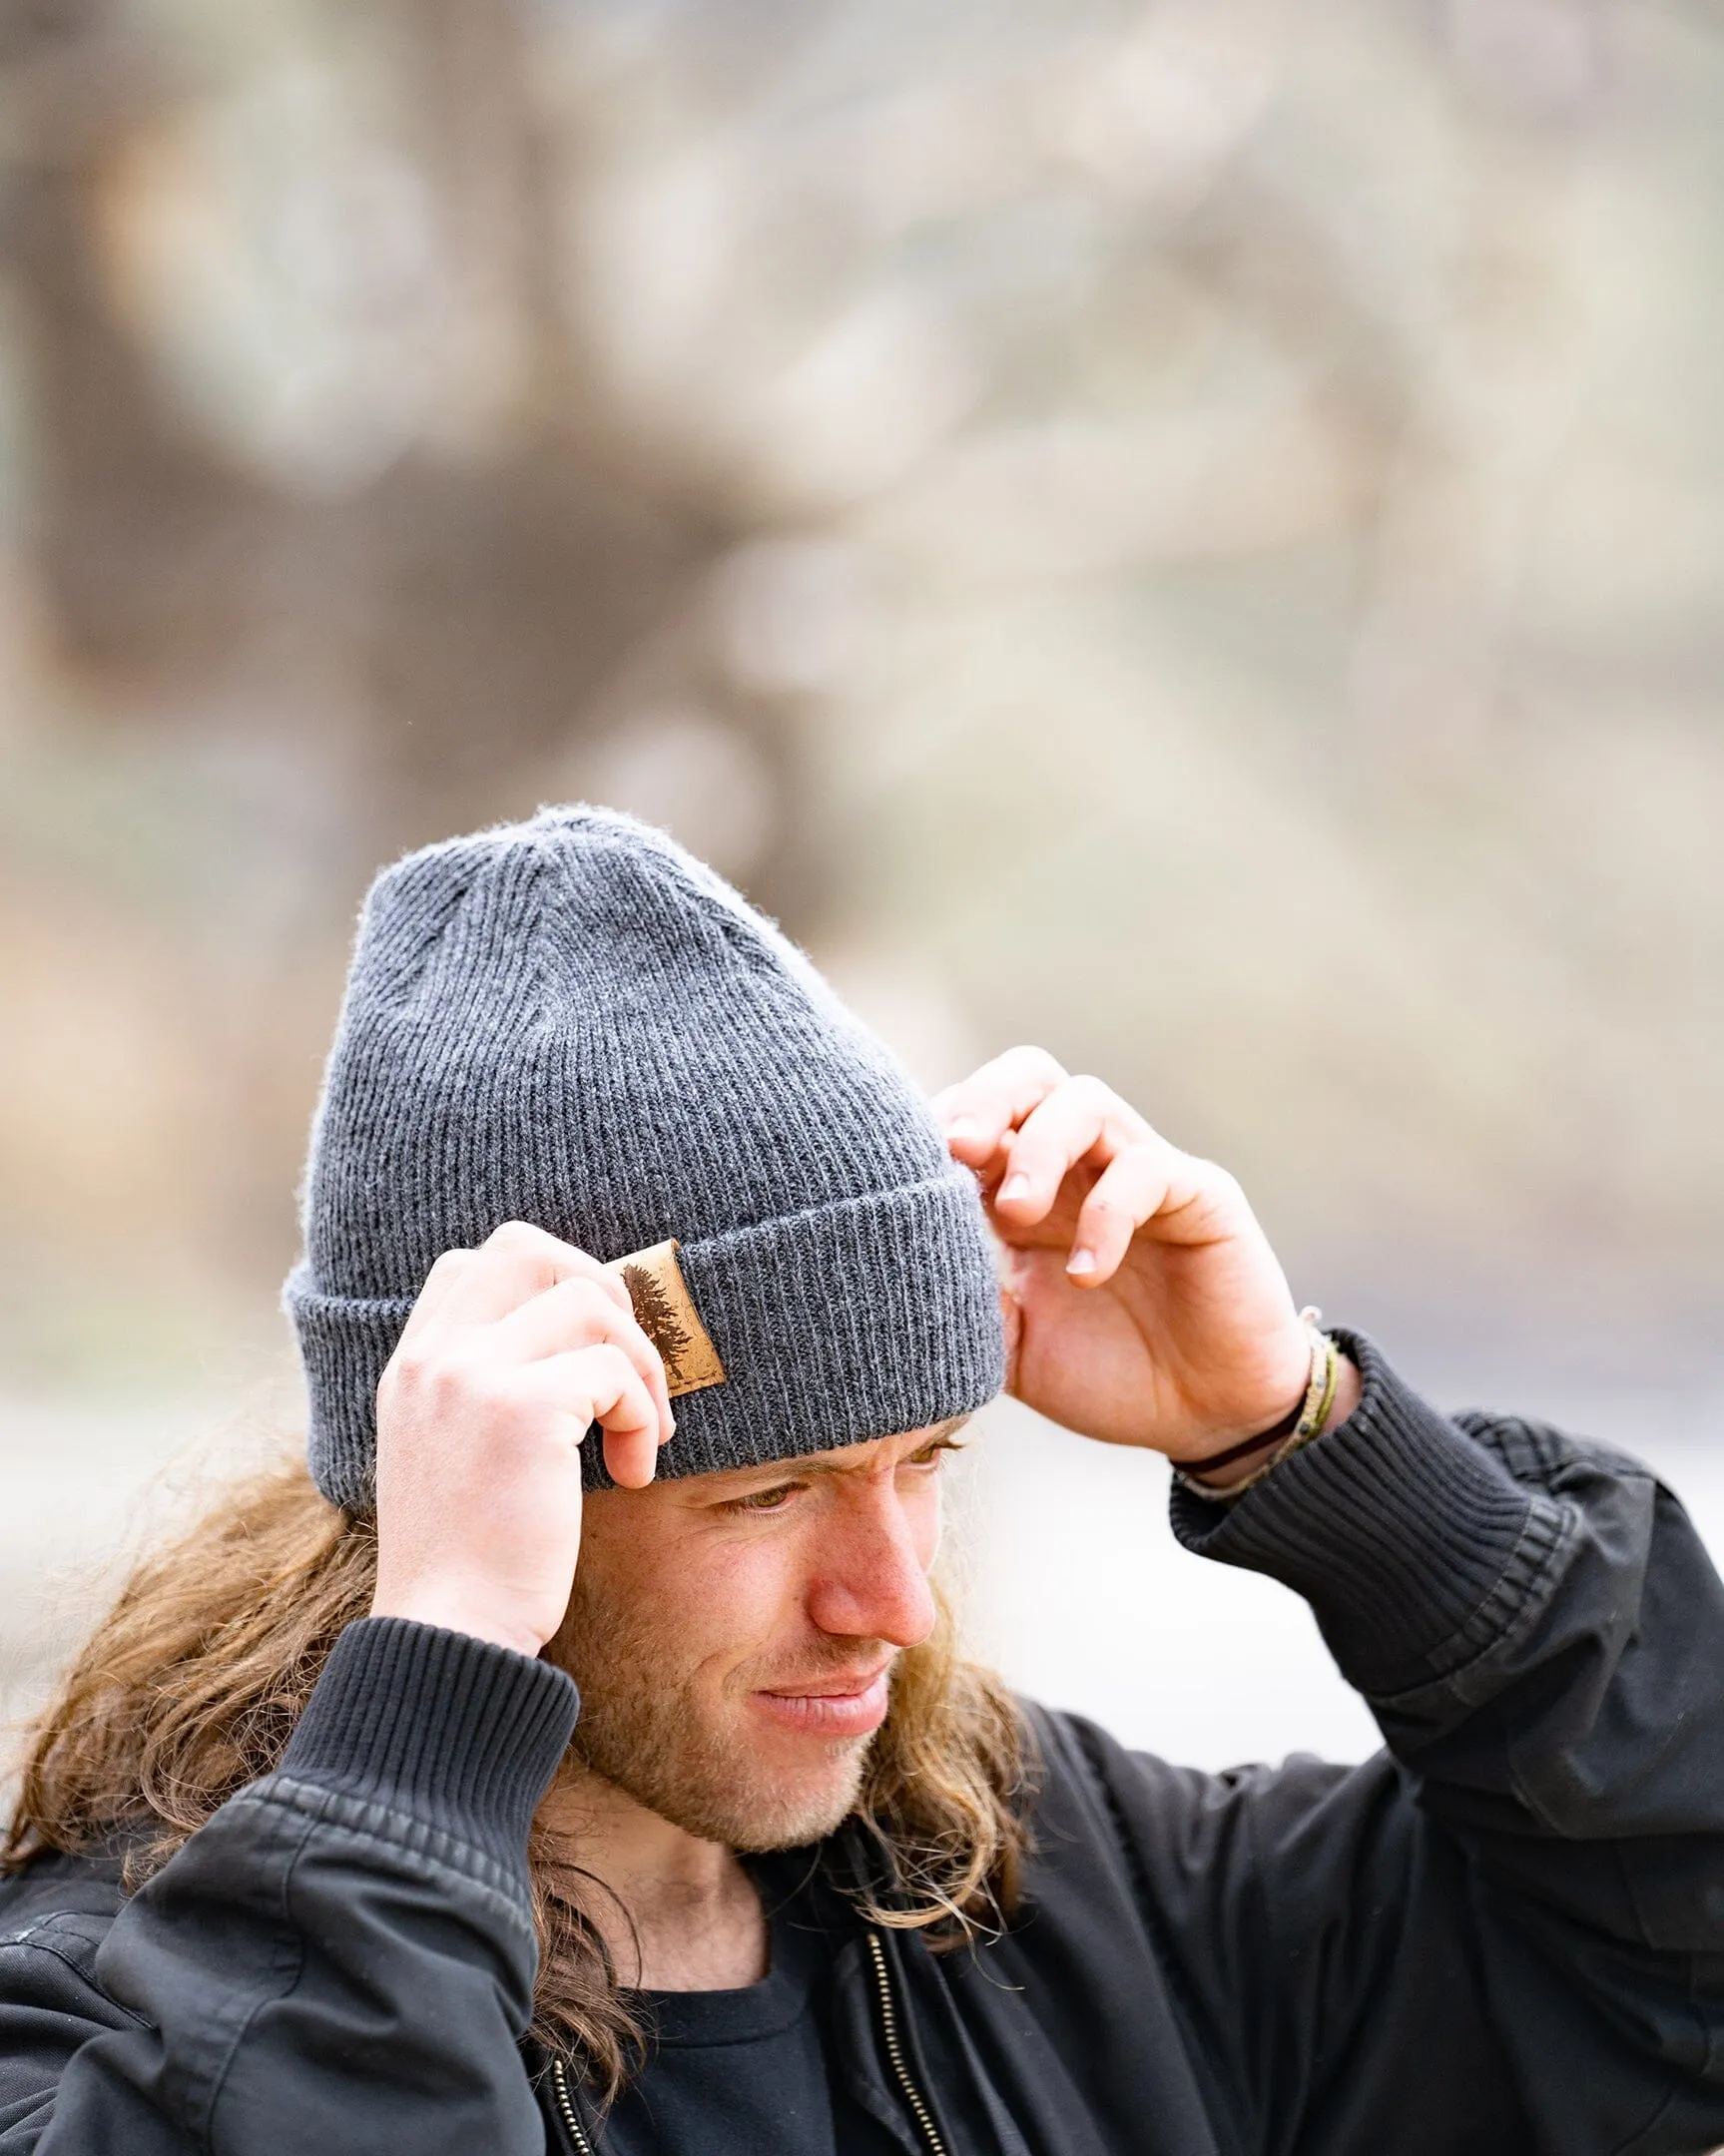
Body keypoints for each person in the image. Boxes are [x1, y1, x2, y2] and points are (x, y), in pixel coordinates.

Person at [2, 805, 1721, 2156]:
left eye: (923, 1464)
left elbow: (1672, 1955)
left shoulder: (1060, 1894)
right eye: (766, 1494)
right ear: (473, 1481)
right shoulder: (104, 2033)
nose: (891, 1602)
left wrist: (1307, 1437)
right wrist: (434, 1686)